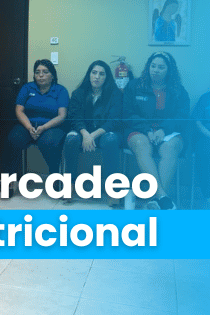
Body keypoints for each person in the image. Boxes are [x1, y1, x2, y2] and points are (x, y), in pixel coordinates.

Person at [123, 51, 189, 210]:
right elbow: (127, 114)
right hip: (140, 130)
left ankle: (156, 201)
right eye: (153, 66)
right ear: (148, 67)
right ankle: (162, 197)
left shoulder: (178, 90)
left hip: (169, 132)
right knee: (141, 144)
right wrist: (147, 130)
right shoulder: (134, 86)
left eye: (161, 67)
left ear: (169, 70)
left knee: (170, 147)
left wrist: (163, 130)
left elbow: (182, 117)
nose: (156, 70)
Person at [2, 59, 69, 197]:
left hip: (51, 126)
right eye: (37, 72)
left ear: (52, 75)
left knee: (49, 143)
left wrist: (43, 127)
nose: (41, 75)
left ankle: (55, 178)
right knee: (13, 139)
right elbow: (19, 110)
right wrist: (29, 127)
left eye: (45, 72)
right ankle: (9, 182)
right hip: (28, 125)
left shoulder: (60, 90)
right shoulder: (27, 88)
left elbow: (62, 116)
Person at [64, 60, 122, 181]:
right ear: (89, 74)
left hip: (105, 132)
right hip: (82, 132)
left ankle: (112, 185)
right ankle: (70, 183)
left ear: (106, 77)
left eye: (101, 74)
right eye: (94, 72)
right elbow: (74, 117)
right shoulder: (78, 93)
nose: (97, 77)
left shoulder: (115, 94)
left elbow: (114, 120)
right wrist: (85, 134)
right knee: (71, 139)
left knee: (111, 140)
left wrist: (92, 136)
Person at [192, 89, 210, 205]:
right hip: (206, 137)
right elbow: (197, 121)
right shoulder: (205, 98)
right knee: (204, 152)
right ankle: (207, 195)